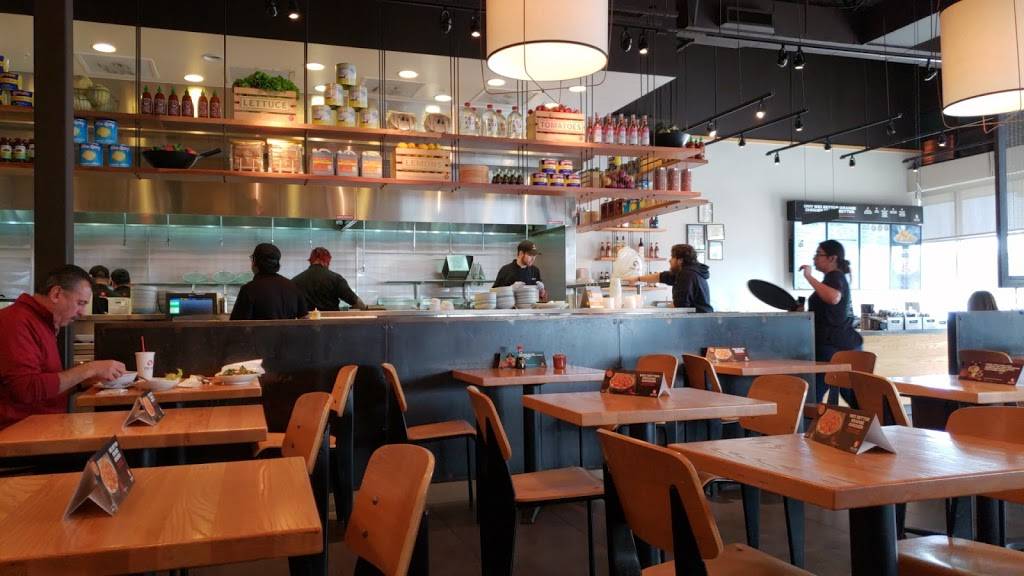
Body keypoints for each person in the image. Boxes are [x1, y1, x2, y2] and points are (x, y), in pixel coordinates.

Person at [0, 265, 126, 430]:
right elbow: (27, 389)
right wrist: (90, 369)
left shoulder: (43, 322)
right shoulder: (16, 322)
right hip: (18, 434)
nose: (82, 312)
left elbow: (46, 383)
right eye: (80, 303)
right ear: (56, 294)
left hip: (44, 427)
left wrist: (82, 382)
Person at [801, 239, 862, 404]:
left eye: (818, 254)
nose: (814, 258)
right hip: (836, 346)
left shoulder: (835, 277)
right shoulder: (832, 279)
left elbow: (834, 298)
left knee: (813, 394)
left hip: (836, 347)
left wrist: (809, 277)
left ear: (832, 258)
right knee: (854, 397)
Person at [230, 243, 308, 320]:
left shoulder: (248, 290)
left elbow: (236, 325)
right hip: (290, 329)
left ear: (255, 261)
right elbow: (304, 319)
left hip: (259, 329)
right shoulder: (293, 287)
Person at [626, 244, 713, 312]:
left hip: (697, 322)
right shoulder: (690, 272)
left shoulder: (686, 275)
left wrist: (660, 310)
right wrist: (637, 278)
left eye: (672, 257)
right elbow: (662, 276)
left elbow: (681, 307)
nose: (670, 260)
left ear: (680, 261)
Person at [292, 247, 367, 312]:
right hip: (331, 322)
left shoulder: (295, 281)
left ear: (311, 261)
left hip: (305, 323)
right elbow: (359, 304)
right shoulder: (336, 279)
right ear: (327, 261)